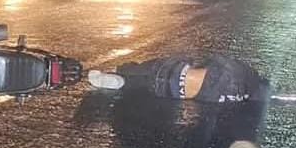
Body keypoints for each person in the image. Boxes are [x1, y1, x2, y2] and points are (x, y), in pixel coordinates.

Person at [87, 55, 268, 102]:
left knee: (141, 69)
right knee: (147, 83)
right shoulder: (232, 99)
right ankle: (123, 82)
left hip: (174, 69)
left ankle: (120, 73)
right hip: (171, 91)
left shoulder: (241, 72)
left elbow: (214, 59)